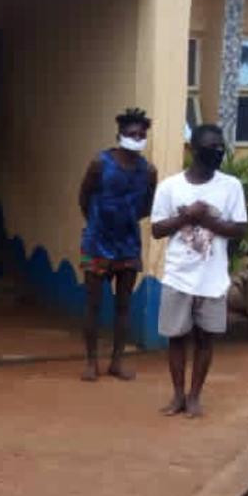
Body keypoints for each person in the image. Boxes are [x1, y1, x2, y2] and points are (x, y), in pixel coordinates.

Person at [151, 124, 247, 418]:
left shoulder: (231, 186)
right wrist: (185, 218)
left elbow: (238, 229)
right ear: (193, 150)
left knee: (206, 339)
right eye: (210, 149)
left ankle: (195, 396)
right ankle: (178, 395)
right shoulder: (170, 186)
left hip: (213, 279)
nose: (217, 153)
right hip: (178, 276)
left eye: (220, 148)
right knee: (176, 337)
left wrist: (204, 218)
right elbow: (157, 229)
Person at [77, 108, 158, 382]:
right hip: (97, 242)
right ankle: (91, 362)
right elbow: (83, 197)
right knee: (93, 304)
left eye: (141, 134)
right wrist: (97, 222)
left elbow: (148, 205)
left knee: (124, 305)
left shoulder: (148, 171)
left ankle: (117, 361)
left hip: (128, 245)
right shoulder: (100, 164)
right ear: (119, 135)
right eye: (131, 133)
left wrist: (127, 220)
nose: (136, 138)